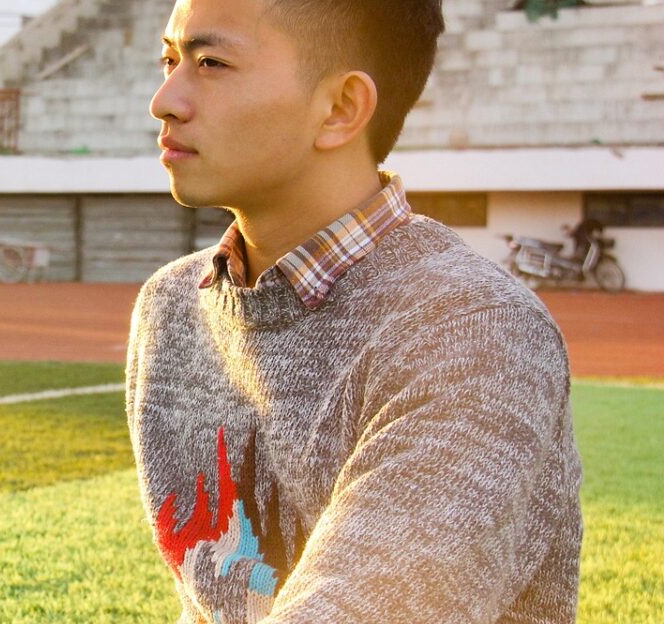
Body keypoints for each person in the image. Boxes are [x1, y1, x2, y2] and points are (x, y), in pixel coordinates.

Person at [124, 0, 583, 622]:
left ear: (340, 109)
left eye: (211, 62)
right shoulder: (173, 307)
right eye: (169, 59)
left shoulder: (474, 330)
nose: (165, 100)